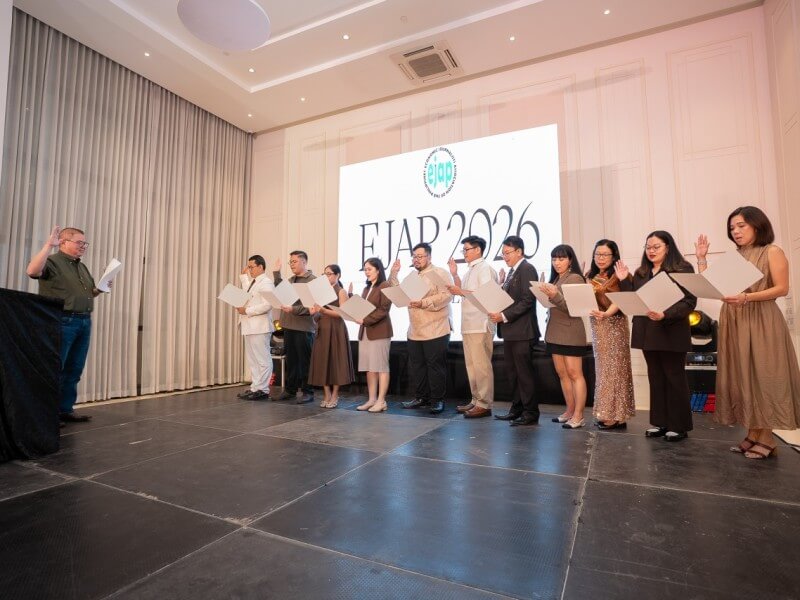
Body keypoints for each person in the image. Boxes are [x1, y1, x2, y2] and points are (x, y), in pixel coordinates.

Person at [696, 207, 800, 459]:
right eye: (732, 228)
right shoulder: (737, 256)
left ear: (757, 225)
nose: (736, 231)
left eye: (741, 225)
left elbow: (782, 288)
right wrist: (702, 259)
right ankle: (753, 433)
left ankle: (767, 438)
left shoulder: (771, 251)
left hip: (761, 319)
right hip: (735, 319)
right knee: (743, 376)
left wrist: (746, 297)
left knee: (762, 375)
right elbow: (712, 286)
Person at [616, 230, 696, 442]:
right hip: (647, 331)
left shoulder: (682, 269)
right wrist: (624, 281)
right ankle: (660, 422)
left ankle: (679, 426)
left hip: (671, 330)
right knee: (656, 377)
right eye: (648, 247)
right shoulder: (642, 272)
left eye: (656, 247)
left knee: (674, 378)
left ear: (668, 247)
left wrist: (665, 314)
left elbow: (689, 301)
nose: (651, 251)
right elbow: (632, 299)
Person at [26, 226, 108, 423]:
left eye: (84, 243)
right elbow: (32, 271)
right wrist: (47, 246)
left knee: (74, 368)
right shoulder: (52, 261)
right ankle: (46, 413)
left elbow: (88, 293)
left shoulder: (81, 266)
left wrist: (100, 287)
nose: (83, 246)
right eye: (79, 243)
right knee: (55, 367)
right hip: (62, 321)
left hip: (83, 321)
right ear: (63, 242)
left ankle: (64, 409)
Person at [390, 243, 453, 415]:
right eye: (414, 257)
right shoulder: (412, 276)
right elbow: (398, 292)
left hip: (436, 328)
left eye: (420, 256)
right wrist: (394, 273)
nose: (416, 260)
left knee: (435, 367)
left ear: (429, 257)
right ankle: (421, 397)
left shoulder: (439, 273)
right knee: (417, 366)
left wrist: (423, 302)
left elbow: (447, 296)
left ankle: (437, 400)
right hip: (415, 329)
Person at [489, 235, 541, 426]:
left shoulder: (527, 269)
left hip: (522, 332)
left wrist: (503, 316)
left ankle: (530, 412)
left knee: (524, 374)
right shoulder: (511, 272)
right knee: (513, 373)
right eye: (502, 253)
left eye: (507, 252)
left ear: (519, 251)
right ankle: (517, 408)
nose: (504, 256)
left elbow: (528, 300)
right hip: (511, 332)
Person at [539, 244, 591, 429]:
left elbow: (574, 308)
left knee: (575, 374)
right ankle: (569, 411)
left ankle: (579, 415)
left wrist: (554, 295)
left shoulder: (575, 277)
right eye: (554, 259)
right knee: (562, 374)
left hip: (571, 332)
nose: (557, 262)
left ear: (570, 260)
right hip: (554, 332)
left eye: (561, 259)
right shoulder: (556, 279)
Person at [447, 235, 498, 419]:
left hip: (480, 323)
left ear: (477, 250)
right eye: (464, 250)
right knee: (472, 366)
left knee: (481, 365)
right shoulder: (470, 270)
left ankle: (485, 403)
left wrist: (459, 291)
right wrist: (454, 274)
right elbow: (464, 293)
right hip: (469, 324)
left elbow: (485, 294)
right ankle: (476, 399)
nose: (464, 253)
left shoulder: (485, 269)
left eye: (466, 249)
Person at [586, 239, 635, 429]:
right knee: (604, 370)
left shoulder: (620, 275)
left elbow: (622, 300)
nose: (600, 258)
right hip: (598, 326)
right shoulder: (591, 275)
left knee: (616, 370)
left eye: (605, 254)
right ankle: (607, 412)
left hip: (614, 325)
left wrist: (607, 313)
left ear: (614, 256)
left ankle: (616, 415)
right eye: (597, 254)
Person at [307, 264, 354, 408]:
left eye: (329, 274)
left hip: (335, 328)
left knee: (335, 362)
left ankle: (335, 394)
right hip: (322, 328)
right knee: (322, 362)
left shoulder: (341, 291)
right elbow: (313, 312)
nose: (326, 277)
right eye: (325, 274)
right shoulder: (320, 292)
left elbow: (342, 313)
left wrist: (324, 311)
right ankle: (326, 393)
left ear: (337, 275)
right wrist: (314, 310)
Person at [273, 251, 317, 404]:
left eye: (294, 262)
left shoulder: (312, 281)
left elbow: (312, 307)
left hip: (304, 327)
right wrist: (276, 273)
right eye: (290, 262)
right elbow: (280, 293)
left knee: (305, 361)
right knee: (291, 360)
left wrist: (293, 309)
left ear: (304, 262)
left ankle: (308, 391)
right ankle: (291, 390)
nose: (291, 265)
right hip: (289, 325)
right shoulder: (290, 280)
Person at [235, 255, 275, 401]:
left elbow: (267, 305)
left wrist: (247, 311)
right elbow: (248, 294)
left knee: (262, 358)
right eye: (249, 267)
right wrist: (244, 276)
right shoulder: (254, 282)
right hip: (249, 325)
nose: (249, 269)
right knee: (252, 359)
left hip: (259, 326)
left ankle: (263, 389)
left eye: (251, 267)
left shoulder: (266, 283)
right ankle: (255, 387)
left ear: (261, 267)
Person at [356, 258, 393, 413]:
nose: (367, 272)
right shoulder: (366, 288)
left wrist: (366, 319)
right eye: (365, 269)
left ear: (378, 270)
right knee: (370, 368)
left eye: (369, 269)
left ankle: (381, 400)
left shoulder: (384, 285)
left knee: (381, 367)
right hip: (365, 331)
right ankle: (372, 399)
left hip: (379, 331)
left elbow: (384, 309)